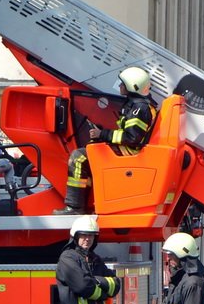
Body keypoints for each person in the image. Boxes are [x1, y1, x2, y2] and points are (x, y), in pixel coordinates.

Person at [54, 66, 158, 215]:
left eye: (123, 84)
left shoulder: (139, 109)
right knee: (89, 153)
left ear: (132, 87)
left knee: (78, 157)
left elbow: (131, 138)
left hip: (129, 152)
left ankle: (75, 207)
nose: (120, 86)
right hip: (128, 149)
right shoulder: (139, 105)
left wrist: (102, 134)